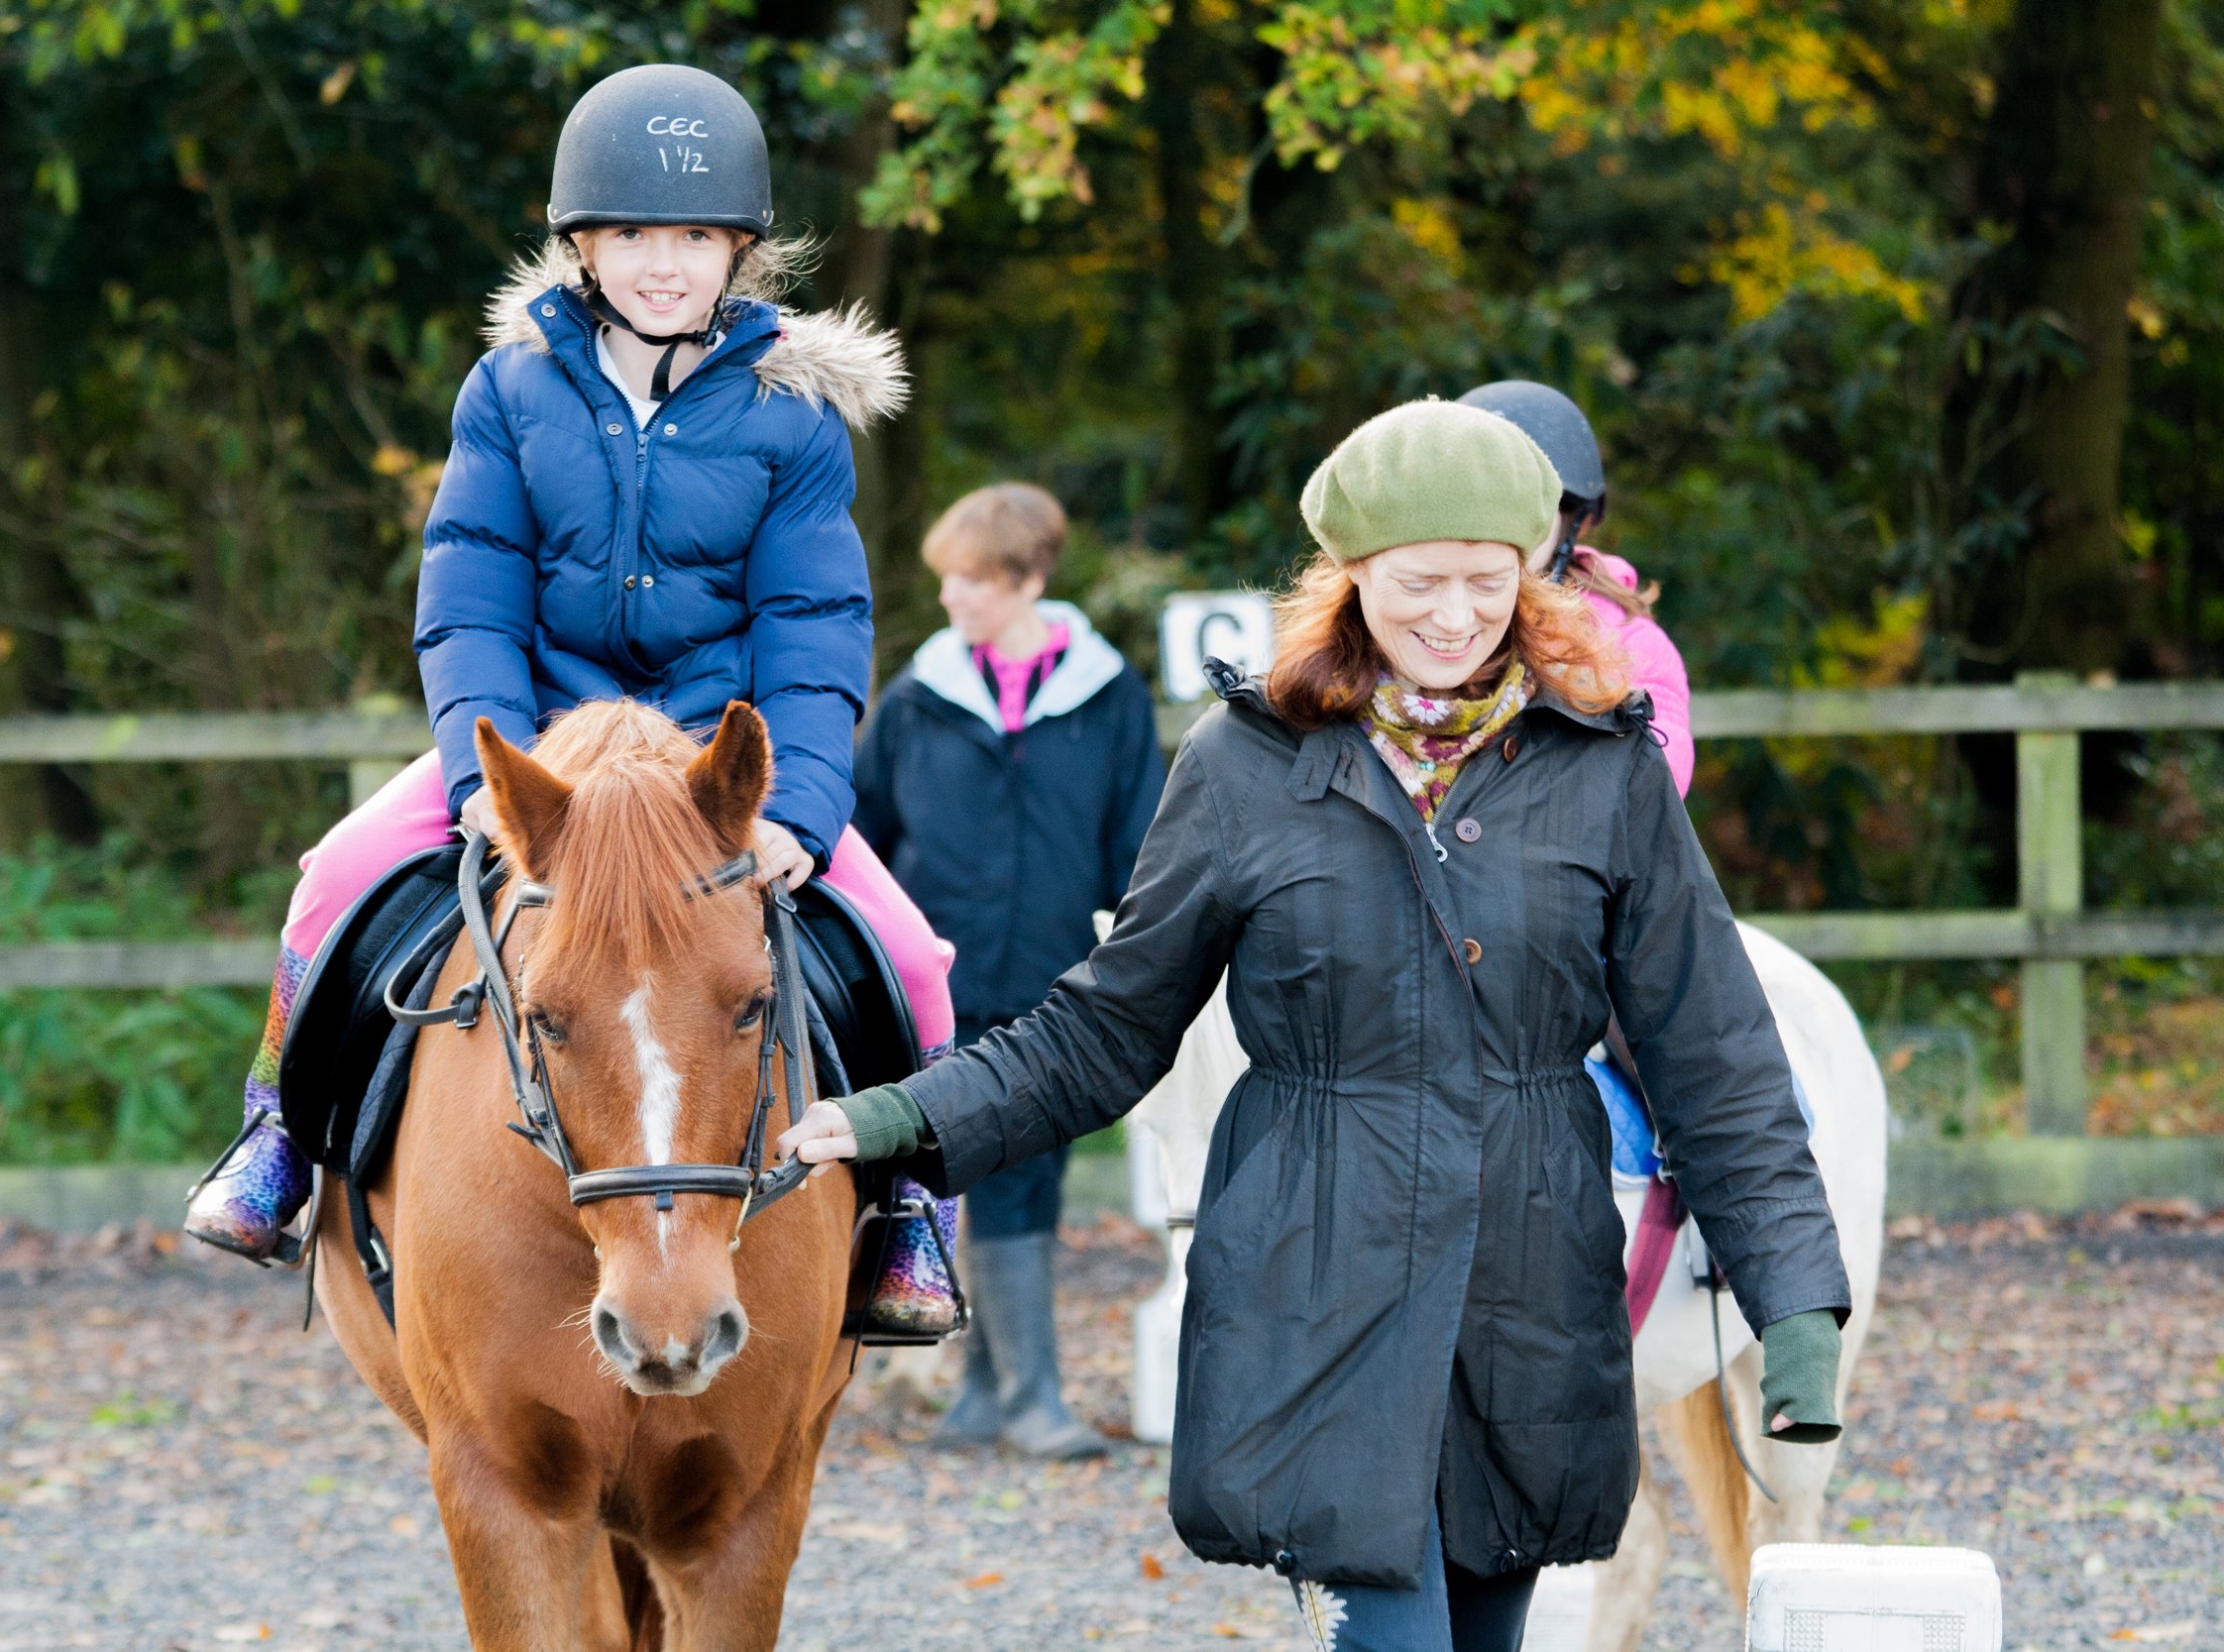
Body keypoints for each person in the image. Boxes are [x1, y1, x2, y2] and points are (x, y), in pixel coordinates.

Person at [780, 402, 1852, 1652]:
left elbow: (1715, 1053)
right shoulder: (1245, 764)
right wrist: (904, 1113)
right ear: (1349, 582)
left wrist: (1795, 1304)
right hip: (1319, 1279)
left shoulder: (1604, 771)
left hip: (1525, 1291)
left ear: (1531, 575)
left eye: (1484, 582)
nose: (1453, 616)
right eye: (1418, 583)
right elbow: (1104, 1026)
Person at [186, 63, 961, 1339]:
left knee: (913, 954)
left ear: (740, 253)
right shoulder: (508, 392)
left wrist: (801, 812)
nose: (665, 263)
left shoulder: (797, 420)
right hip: (542, 749)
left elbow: (813, 625)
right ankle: (276, 1133)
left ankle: (913, 1207)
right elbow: (468, 600)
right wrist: (479, 790)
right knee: (330, 876)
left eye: (696, 238)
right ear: (583, 246)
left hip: (714, 768)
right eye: (635, 235)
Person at [854, 484, 1166, 1457]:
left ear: (1028, 579)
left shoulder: (1108, 698)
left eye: (973, 582)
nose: (951, 598)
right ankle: (996, 1391)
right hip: (936, 985)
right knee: (938, 1168)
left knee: (1026, 1173)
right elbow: (863, 834)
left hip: (1056, 984)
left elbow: (1141, 843)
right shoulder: (914, 700)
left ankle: (1012, 1392)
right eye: (945, 579)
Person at [1458, 380, 1692, 794]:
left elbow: (1654, 782)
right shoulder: (1410, 616)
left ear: (1572, 521)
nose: (1495, 529)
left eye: (1525, 508)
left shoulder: (1627, 641)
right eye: (1475, 505)